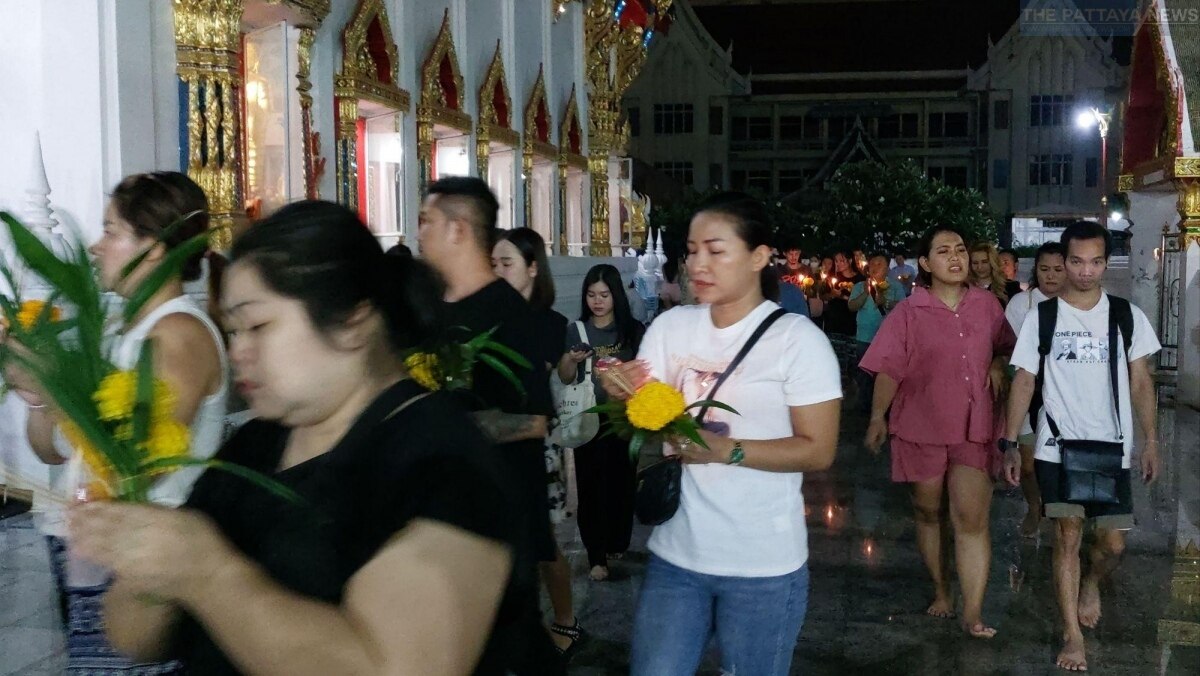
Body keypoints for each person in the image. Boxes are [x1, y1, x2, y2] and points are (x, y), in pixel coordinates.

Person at [70, 200, 545, 675]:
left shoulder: (443, 463)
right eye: (232, 331)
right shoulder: (253, 446)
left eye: (257, 326)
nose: (238, 352)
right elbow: (135, 639)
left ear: (353, 321)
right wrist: (144, 561)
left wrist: (208, 573)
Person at [607, 192, 841, 675]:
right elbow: (649, 418)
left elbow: (818, 450)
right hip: (678, 555)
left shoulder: (797, 340)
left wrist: (724, 450)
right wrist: (619, 390)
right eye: (692, 250)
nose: (698, 263)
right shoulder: (672, 328)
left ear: (758, 256)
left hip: (762, 567)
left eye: (716, 250)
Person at [5, 171, 227, 674]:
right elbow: (53, 452)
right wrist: (43, 395)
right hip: (96, 546)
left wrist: (58, 390)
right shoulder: (119, 330)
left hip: (139, 560)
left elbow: (139, 468)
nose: (95, 245)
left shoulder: (176, 332)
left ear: (153, 249)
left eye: (111, 230)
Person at [417, 176, 563, 672]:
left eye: (426, 222)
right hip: (436, 517)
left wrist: (447, 426)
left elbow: (536, 422)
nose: (419, 234)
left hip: (497, 520)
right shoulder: (426, 311)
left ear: (457, 230)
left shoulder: (508, 314)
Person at [1001, 221, 1160, 672]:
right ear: (1063, 262)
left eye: (1095, 262)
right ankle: (1072, 634)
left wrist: (1151, 441)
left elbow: (1142, 382)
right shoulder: (1043, 317)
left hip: (1112, 446)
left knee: (1112, 545)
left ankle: (1092, 582)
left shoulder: (1127, 316)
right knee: (1066, 536)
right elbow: (1024, 380)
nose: (1085, 272)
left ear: (1106, 264)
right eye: (1076, 261)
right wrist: (1010, 441)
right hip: (1056, 445)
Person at [861, 225, 1015, 640]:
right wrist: (878, 417)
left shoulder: (986, 306)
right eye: (943, 251)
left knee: (971, 518)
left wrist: (999, 364)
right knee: (928, 511)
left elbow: (1005, 347)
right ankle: (942, 590)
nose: (956, 257)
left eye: (961, 249)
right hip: (920, 425)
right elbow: (890, 368)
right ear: (926, 264)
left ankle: (973, 611)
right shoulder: (908, 313)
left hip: (975, 426)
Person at [492, 227, 584, 658]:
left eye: (506, 263)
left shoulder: (551, 324)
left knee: (542, 540)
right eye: (492, 264)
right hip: (491, 439)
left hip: (535, 442)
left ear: (532, 268)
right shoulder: (485, 317)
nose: (497, 271)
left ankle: (566, 620)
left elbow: (546, 387)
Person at [557, 264, 644, 582]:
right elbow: (565, 376)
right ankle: (596, 555)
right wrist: (570, 360)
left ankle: (617, 541)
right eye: (591, 295)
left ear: (615, 296)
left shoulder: (632, 330)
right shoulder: (576, 331)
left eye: (604, 295)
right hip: (589, 420)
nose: (597, 301)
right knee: (591, 487)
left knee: (622, 485)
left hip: (624, 420)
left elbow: (644, 372)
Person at [1002, 242, 1066, 538]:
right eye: (1044, 270)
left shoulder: (1077, 304)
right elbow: (1013, 354)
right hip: (1029, 390)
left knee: (1062, 458)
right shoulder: (1021, 305)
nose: (1051, 276)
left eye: (1057, 269)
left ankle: (1058, 510)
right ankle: (1033, 504)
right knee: (1027, 463)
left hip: (1065, 396)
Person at [848, 252, 905, 414]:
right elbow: (851, 306)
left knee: (885, 375)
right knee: (864, 374)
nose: (874, 267)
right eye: (872, 264)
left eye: (879, 264)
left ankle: (884, 409)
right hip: (864, 337)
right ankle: (865, 408)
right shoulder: (860, 286)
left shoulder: (895, 286)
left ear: (887, 267)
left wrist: (885, 301)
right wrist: (866, 293)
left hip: (888, 339)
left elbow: (903, 306)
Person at [821, 249, 865, 385]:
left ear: (850, 260)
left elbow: (861, 300)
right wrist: (832, 295)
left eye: (842, 260)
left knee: (853, 359)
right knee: (837, 360)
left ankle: (853, 390)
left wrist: (842, 296)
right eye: (836, 261)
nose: (838, 264)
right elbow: (823, 296)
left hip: (852, 323)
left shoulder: (860, 279)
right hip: (834, 322)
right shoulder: (831, 277)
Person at [968, 241, 1017, 307]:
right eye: (975, 263)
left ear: (992, 262)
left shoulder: (1011, 287)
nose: (979, 267)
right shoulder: (965, 288)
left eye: (984, 262)